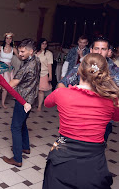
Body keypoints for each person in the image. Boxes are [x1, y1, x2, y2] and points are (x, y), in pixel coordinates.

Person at [43, 53, 119, 188]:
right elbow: (117, 117)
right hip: (94, 164)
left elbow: (47, 103)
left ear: (79, 70)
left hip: (62, 159)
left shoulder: (61, 93)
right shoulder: (112, 101)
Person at [58, 37, 119, 143]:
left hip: (101, 121)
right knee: (70, 148)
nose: (99, 52)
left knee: (93, 152)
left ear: (109, 52)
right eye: (96, 48)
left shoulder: (114, 71)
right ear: (91, 50)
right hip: (78, 117)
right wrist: (68, 101)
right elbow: (62, 84)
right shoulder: (81, 67)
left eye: (103, 49)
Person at [2, 38, 41, 167]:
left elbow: (13, 83)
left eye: (23, 51)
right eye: (19, 51)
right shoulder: (37, 60)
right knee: (22, 123)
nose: (20, 54)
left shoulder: (27, 66)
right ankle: (25, 147)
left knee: (15, 127)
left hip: (23, 99)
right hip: (31, 98)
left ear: (31, 51)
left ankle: (17, 158)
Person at [0, 32, 18, 108]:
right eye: (7, 38)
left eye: (10, 38)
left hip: (7, 69)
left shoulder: (13, 49)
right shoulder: (1, 47)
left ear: (12, 40)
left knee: (5, 87)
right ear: (5, 39)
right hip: (0, 68)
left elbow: (20, 57)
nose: (8, 40)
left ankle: (3, 103)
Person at [35, 38, 53, 111]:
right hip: (34, 73)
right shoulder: (35, 52)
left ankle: (39, 105)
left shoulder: (48, 53)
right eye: (43, 43)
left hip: (43, 73)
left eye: (46, 44)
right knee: (33, 89)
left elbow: (49, 65)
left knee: (41, 90)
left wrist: (50, 75)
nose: (44, 45)